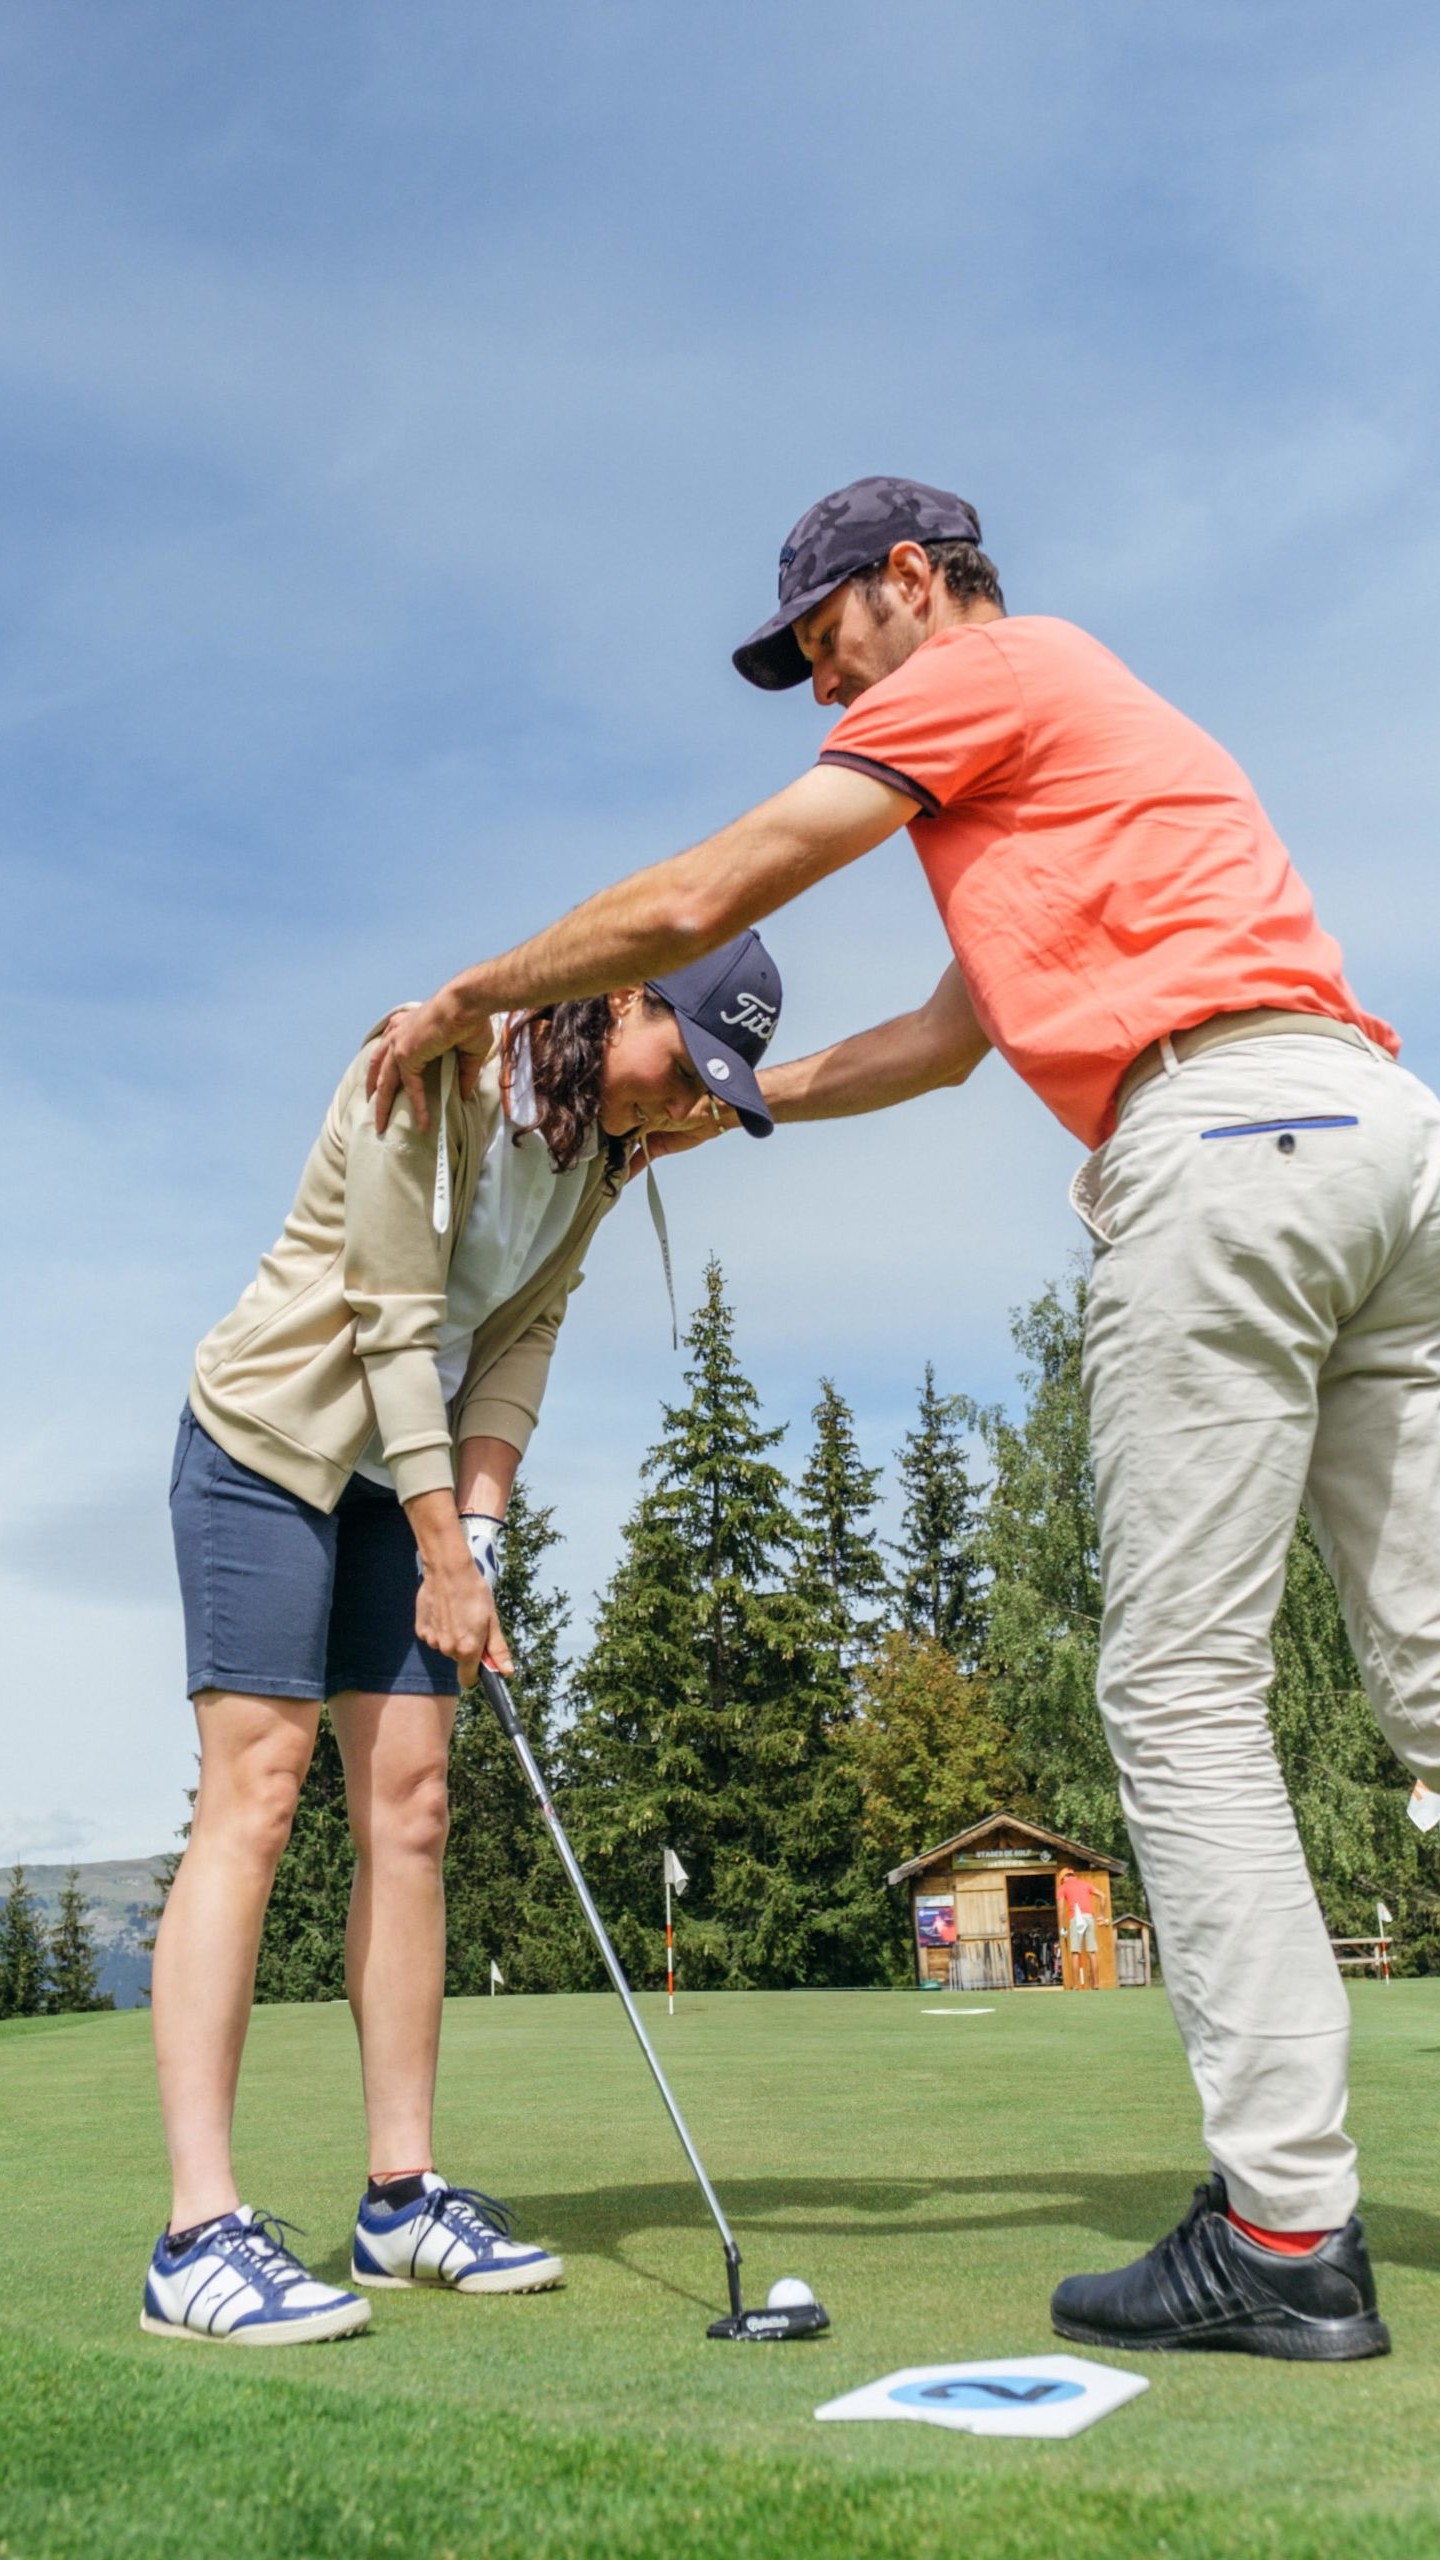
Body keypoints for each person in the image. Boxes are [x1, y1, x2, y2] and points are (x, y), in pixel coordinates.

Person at [369, 475, 1436, 2363]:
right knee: (1431, 1674)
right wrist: (739, 1105)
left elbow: (707, 896)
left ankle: (1285, 2234)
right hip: (1375, 1138)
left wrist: (480, 986)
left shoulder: (971, 679)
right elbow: (947, 1042)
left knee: (1182, 1696)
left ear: (914, 587)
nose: (821, 696)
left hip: (1222, 1150)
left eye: (826, 645)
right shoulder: (1073, 741)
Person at [144, 934, 782, 2346]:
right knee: (257, 1795)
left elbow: (522, 1337)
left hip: (410, 1482)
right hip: (271, 1446)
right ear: (623, 997)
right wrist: (444, 1547)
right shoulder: (430, 1071)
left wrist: (475, 1534)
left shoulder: (605, 1151)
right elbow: (389, 1318)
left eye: (710, 1091)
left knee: (416, 1806)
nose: (685, 1103)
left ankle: (400, 2195)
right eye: (684, 1063)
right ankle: (196, 2234)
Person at [1056, 1869, 1098, 1992]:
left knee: (1075, 1952)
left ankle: (1076, 1985)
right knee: (1092, 1952)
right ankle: (1096, 1984)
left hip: (1076, 1918)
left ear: (1063, 1878)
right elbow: (1102, 1895)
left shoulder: (1062, 1888)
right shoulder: (1085, 1884)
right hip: (1089, 1917)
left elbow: (1061, 1909)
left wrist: (1061, 1927)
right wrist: (1101, 1914)